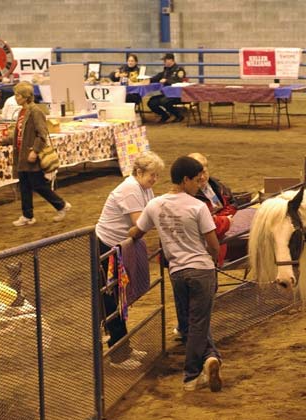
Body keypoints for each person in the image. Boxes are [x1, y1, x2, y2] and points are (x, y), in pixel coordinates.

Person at [129, 156, 223, 392]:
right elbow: (213, 244)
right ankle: (192, 375)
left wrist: (122, 238)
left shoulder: (155, 205)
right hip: (201, 269)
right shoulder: (197, 206)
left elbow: (137, 231)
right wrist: (212, 261)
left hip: (177, 272)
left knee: (191, 322)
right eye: (196, 180)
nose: (198, 184)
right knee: (199, 323)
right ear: (185, 180)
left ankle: (210, 358)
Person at [95, 152, 165, 370]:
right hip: (107, 247)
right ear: (139, 172)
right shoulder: (130, 189)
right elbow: (142, 221)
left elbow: (150, 215)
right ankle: (119, 353)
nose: (155, 179)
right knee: (111, 299)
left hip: (119, 246)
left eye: (156, 175)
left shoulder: (143, 188)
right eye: (152, 175)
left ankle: (122, 345)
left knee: (117, 297)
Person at [0, 81, 71, 227]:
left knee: (38, 184)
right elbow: (19, 135)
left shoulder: (35, 112)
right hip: (21, 157)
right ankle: (27, 215)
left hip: (30, 156)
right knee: (24, 186)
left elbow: (42, 134)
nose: (15, 97)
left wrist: (35, 151)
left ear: (26, 96)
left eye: (18, 95)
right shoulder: (22, 112)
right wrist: (3, 141)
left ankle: (61, 205)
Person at [188, 153, 237, 267]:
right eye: (198, 174)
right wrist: (223, 220)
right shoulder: (188, 194)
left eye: (204, 172)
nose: (202, 177)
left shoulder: (216, 185)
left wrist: (222, 218)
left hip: (220, 235)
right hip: (200, 247)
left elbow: (232, 203)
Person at [147, 53, 186, 123]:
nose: (164, 62)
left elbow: (178, 80)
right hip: (167, 94)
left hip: (177, 95)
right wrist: (148, 80)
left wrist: (167, 80)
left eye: (165, 60)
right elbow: (158, 77)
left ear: (171, 60)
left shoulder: (179, 70)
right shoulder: (166, 70)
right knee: (151, 102)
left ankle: (178, 115)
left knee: (164, 101)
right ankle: (165, 115)